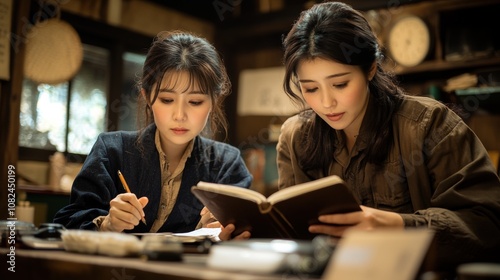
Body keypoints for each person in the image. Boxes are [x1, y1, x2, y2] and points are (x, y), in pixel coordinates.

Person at [277, 1, 500, 269]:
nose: (326, 103)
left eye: (340, 84)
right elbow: (293, 234)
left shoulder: (429, 125)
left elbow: (488, 226)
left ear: (370, 68)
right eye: (310, 88)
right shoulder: (296, 137)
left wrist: (399, 225)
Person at [54, 31, 252, 238]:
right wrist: (107, 224)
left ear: (214, 101)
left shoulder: (227, 164)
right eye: (167, 100)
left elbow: (246, 234)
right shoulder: (112, 150)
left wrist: (227, 232)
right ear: (147, 97)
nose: (179, 115)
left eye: (195, 102)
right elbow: (66, 223)